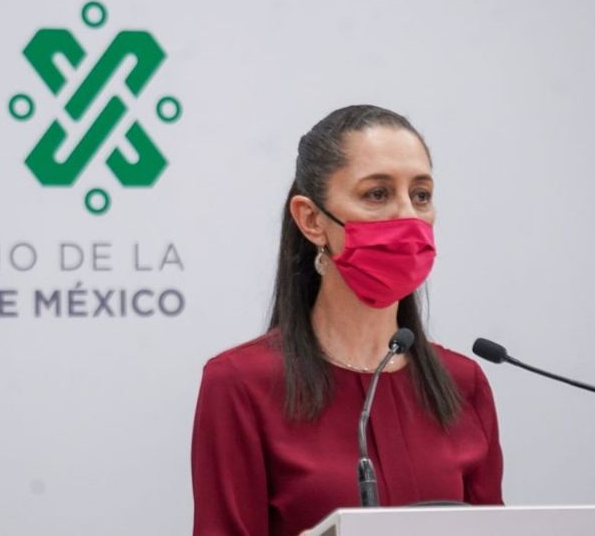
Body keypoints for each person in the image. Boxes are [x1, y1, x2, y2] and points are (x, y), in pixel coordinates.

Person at [191, 105, 504, 536]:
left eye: (421, 195)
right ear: (312, 220)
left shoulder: (463, 383)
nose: (409, 217)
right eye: (377, 194)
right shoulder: (241, 384)